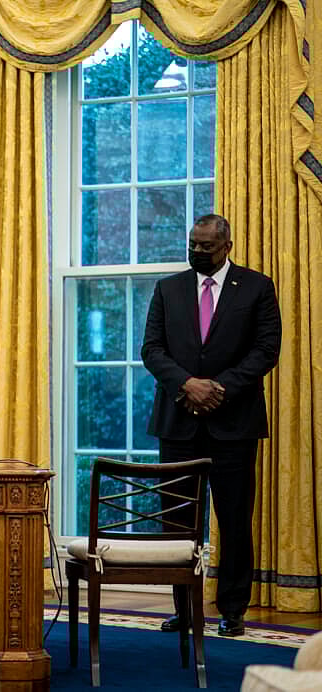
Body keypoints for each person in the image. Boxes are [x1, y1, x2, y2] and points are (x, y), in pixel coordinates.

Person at [141, 214, 281, 638]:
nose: (197, 251)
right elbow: (152, 349)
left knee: (235, 520)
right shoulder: (168, 289)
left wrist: (218, 388)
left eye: (206, 246)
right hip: (177, 422)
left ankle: (233, 610)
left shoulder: (257, 287)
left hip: (234, 425)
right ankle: (184, 610)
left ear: (227, 246)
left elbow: (266, 350)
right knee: (177, 523)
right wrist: (187, 384)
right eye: (193, 244)